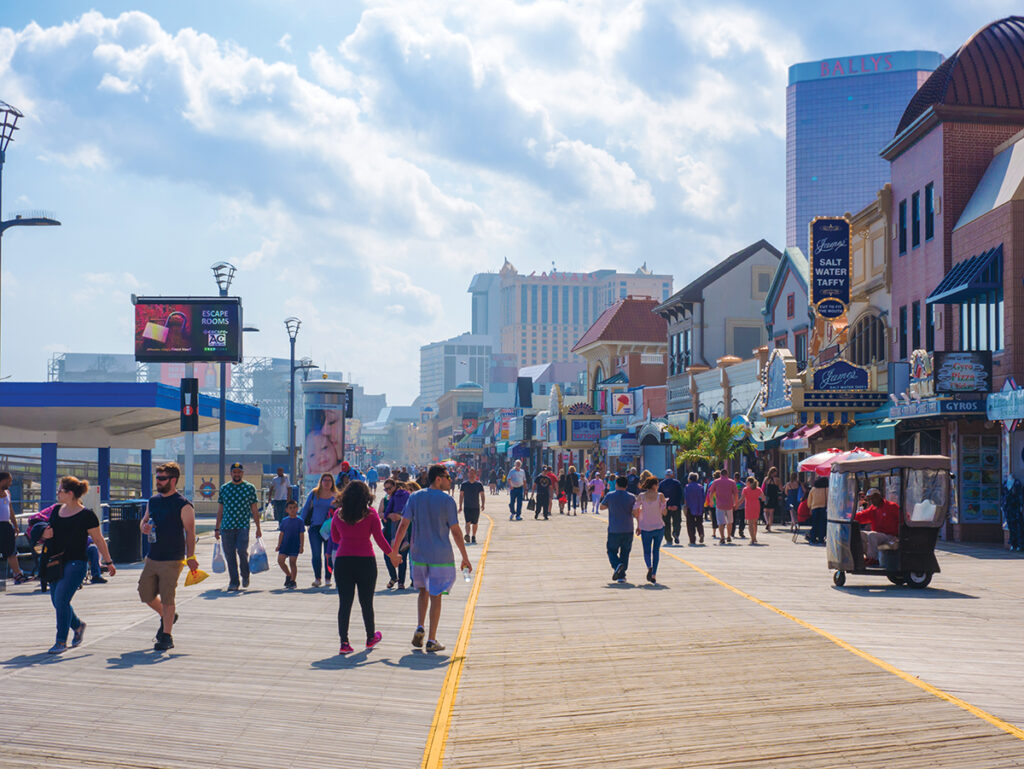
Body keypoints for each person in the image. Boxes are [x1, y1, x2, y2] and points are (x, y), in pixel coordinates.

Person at [388, 465, 472, 653]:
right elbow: (456, 531)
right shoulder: (447, 500)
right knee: (436, 595)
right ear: (438, 479)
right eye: (448, 477)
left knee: (423, 592)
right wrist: (465, 557)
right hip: (440, 556)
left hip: (418, 554)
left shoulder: (415, 497)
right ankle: (432, 639)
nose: (450, 480)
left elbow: (403, 525)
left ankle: (420, 626)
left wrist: (395, 551)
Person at [41, 477, 116, 654]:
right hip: (56, 562)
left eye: (60, 490)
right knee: (57, 601)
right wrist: (44, 534)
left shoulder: (87, 516)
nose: (57, 493)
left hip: (76, 563)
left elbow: (98, 539)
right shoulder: (56, 510)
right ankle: (78, 626)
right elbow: (48, 532)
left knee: (61, 599)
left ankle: (60, 641)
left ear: (70, 493)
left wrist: (108, 562)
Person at [139, 462, 198, 651]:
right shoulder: (153, 501)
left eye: (162, 478)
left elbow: (190, 533)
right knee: (145, 593)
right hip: (153, 556)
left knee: (167, 597)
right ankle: (168, 617)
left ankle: (166, 636)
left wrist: (191, 557)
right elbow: (144, 521)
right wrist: (143, 527)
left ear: (173, 480)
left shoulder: (183, 505)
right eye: (157, 478)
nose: (158, 481)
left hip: (173, 558)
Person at [331, 480, 391, 654]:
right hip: (366, 561)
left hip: (343, 561)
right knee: (366, 602)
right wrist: (392, 555)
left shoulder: (338, 514)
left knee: (345, 603)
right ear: (366, 496)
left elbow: (335, 538)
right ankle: (370, 637)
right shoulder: (371, 514)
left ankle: (344, 643)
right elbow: (379, 538)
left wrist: (348, 538)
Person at [215, 462, 262, 592]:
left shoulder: (249, 488)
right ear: (231, 473)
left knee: (242, 551)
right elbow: (220, 510)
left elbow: (254, 510)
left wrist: (258, 528)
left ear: (242, 473)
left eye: (239, 472)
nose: (236, 474)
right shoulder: (224, 488)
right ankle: (234, 582)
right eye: (234, 472)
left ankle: (245, 574)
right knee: (230, 555)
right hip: (226, 527)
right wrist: (217, 528)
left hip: (243, 526)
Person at [301, 473, 337, 587]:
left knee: (328, 554)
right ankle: (317, 578)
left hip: (330, 530)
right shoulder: (314, 493)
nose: (327, 483)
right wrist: (300, 523)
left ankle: (328, 578)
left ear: (332, 482)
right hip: (315, 528)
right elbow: (306, 508)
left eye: (329, 480)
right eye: (325, 480)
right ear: (321, 482)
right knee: (316, 554)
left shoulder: (336, 495)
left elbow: (341, 511)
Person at [601, 476, 636, 583]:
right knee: (625, 552)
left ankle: (617, 565)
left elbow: (601, 507)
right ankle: (621, 576)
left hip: (614, 529)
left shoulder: (610, 495)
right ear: (626, 485)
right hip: (628, 528)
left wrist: (611, 505)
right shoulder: (632, 497)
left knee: (611, 550)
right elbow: (635, 512)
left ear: (616, 484)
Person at [634, 476, 667, 584]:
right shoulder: (660, 496)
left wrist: (638, 524)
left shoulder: (641, 496)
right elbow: (664, 512)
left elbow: (635, 511)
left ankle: (649, 567)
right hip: (658, 526)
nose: (658, 486)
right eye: (657, 484)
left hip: (645, 527)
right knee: (656, 551)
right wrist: (663, 505)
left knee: (646, 551)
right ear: (654, 485)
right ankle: (653, 575)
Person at [0, 471, 30, 585]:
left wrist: (15, 525)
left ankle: (17, 575)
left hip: (6, 525)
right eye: (9, 481)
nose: (10, 483)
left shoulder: (7, 493)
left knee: (11, 552)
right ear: (3, 481)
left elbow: (10, 509)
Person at [855, 488, 900, 563]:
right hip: (878, 535)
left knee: (872, 535)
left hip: (890, 536)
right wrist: (849, 516)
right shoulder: (873, 508)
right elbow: (862, 516)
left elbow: (903, 519)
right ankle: (864, 557)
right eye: (869, 500)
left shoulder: (892, 506)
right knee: (859, 534)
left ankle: (873, 558)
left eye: (872, 498)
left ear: (878, 496)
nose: (871, 501)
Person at [382, 479, 410, 589]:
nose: (388, 491)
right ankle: (393, 577)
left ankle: (401, 582)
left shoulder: (396, 496)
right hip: (388, 532)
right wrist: (389, 515)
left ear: (395, 486)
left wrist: (400, 516)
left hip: (403, 528)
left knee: (402, 556)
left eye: (389, 488)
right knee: (387, 556)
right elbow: (380, 513)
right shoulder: (385, 499)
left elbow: (412, 511)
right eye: (385, 489)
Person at [276, 500, 305, 589]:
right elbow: (281, 533)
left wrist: (301, 546)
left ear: (297, 509)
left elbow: (301, 534)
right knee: (280, 561)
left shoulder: (300, 521)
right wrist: (279, 545)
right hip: (285, 544)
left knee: (292, 563)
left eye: (294, 508)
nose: (292, 510)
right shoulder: (284, 521)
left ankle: (293, 581)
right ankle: (288, 575)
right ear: (286, 510)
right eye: (290, 508)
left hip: (294, 544)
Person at [705, 470, 738, 545]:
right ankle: (728, 536)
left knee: (720, 522)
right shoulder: (732, 482)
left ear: (721, 474)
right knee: (730, 521)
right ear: (727, 474)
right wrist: (736, 503)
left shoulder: (716, 482)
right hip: (729, 505)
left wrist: (711, 501)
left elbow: (711, 492)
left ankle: (722, 537)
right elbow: (735, 494)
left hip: (719, 505)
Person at [459, 468, 485, 543]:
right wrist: (460, 506)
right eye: (470, 473)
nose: (472, 475)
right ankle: (467, 535)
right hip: (467, 506)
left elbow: (482, 495)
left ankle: (473, 536)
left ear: (476, 475)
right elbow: (461, 495)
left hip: (476, 507)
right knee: (467, 522)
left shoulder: (479, 484)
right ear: (468, 474)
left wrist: (483, 504)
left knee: (475, 523)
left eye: (473, 473)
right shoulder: (464, 484)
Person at [658, 469, 683, 545]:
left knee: (666, 523)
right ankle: (676, 533)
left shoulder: (661, 484)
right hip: (676, 506)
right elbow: (680, 495)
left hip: (665, 507)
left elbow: (660, 496)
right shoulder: (677, 483)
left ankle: (668, 539)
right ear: (672, 475)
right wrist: (676, 505)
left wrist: (666, 505)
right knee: (677, 522)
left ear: (665, 475)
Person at [741, 477, 767, 545]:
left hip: (749, 506)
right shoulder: (758, 489)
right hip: (756, 506)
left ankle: (752, 538)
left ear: (748, 482)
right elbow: (763, 498)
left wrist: (737, 504)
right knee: (755, 522)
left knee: (750, 523)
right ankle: (754, 537)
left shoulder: (745, 489)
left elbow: (742, 499)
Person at [683, 472, 705, 545]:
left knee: (690, 524)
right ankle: (701, 533)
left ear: (689, 479)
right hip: (699, 507)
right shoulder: (701, 487)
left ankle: (692, 539)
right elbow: (703, 497)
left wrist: (685, 506)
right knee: (699, 522)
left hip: (690, 507)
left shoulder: (687, 487)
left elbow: (686, 497)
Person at [806, 475, 829, 544]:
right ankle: (821, 539)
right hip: (823, 508)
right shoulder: (826, 489)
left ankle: (812, 539)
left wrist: (809, 506)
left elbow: (809, 500)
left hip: (814, 508)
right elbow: (829, 498)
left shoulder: (813, 489)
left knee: (814, 524)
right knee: (822, 524)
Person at [762, 467, 781, 533]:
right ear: (774, 472)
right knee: (771, 512)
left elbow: (763, 488)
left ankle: (767, 522)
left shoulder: (766, 479)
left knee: (765, 511)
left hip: (767, 496)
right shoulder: (777, 480)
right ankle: (769, 526)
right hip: (774, 496)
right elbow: (781, 488)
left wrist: (762, 496)